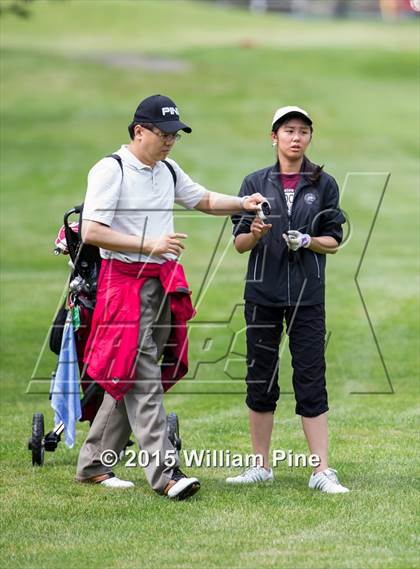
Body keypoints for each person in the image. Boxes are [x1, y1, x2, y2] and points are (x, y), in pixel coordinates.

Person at [75, 94, 266, 500]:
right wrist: (150, 244)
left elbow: (204, 200)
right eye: (162, 134)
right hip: (123, 282)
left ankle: (94, 462)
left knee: (132, 371)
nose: (169, 142)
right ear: (138, 131)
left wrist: (242, 203)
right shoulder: (110, 170)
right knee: (142, 371)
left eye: (174, 135)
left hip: (160, 281)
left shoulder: (167, 169)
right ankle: (166, 473)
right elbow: (91, 231)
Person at [228, 106, 349, 493]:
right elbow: (239, 244)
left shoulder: (323, 183)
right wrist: (258, 233)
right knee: (261, 379)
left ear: (310, 138)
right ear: (274, 137)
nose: (296, 138)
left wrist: (309, 241)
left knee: (311, 378)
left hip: (307, 297)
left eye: (303, 131)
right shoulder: (254, 182)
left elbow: (334, 240)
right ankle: (260, 466)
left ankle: (321, 470)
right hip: (262, 295)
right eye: (288, 131)